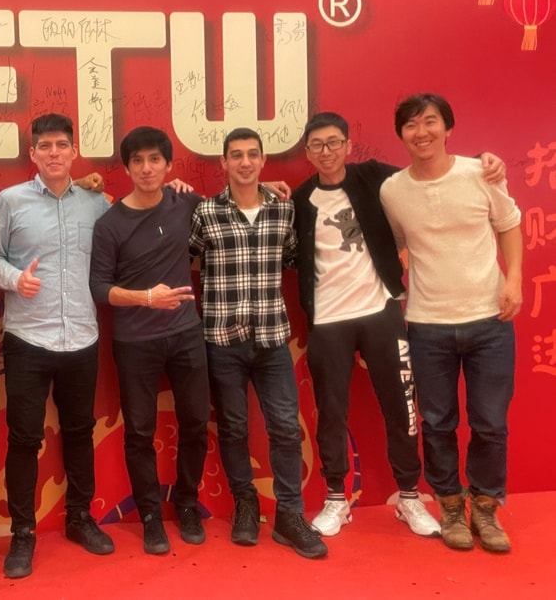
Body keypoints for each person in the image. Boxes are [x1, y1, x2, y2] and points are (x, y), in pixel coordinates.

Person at [292, 111, 506, 538]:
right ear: (308, 153)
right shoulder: (299, 199)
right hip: (328, 319)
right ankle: (335, 498)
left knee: (403, 409)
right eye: (317, 145)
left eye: (334, 142)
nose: (326, 152)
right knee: (331, 412)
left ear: (347, 145)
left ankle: (409, 496)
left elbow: (428, 170)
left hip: (381, 311)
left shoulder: (375, 178)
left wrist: (484, 159)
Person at [380, 93, 522, 553]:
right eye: (411, 125)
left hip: (490, 320)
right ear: (401, 135)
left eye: (430, 122)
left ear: (447, 128)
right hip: (427, 324)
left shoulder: (480, 172)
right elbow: (395, 244)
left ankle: (485, 506)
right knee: (437, 423)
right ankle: (451, 505)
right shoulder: (392, 191)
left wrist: (514, 279)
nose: (421, 132)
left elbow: (509, 223)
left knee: (490, 422)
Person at [189, 127, 327, 559]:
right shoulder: (206, 212)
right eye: (236, 155)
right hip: (222, 340)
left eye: (252, 154)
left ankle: (290, 514)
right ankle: (245, 504)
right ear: (224, 163)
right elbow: (187, 257)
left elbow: (293, 258)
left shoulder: (282, 210)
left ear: (263, 161)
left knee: (284, 426)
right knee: (233, 427)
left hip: (271, 339)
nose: (245, 162)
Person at [0, 113, 114, 579]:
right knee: (24, 438)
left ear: (73, 151)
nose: (54, 153)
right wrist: (13, 278)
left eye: (62, 145)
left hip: (81, 335)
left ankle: (80, 518)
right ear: (33, 153)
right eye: (45, 146)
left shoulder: (96, 203)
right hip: (28, 336)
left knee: (80, 431)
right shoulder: (10, 200)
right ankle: (23, 533)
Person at [89, 126, 209, 555]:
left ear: (168, 165)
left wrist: (270, 185)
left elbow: (234, 205)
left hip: (186, 334)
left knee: (196, 421)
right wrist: (146, 298)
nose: (146, 168)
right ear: (126, 168)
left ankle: (187, 504)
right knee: (139, 432)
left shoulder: (186, 203)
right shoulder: (109, 224)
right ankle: (151, 518)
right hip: (136, 342)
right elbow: (99, 288)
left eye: (154, 160)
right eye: (137, 161)